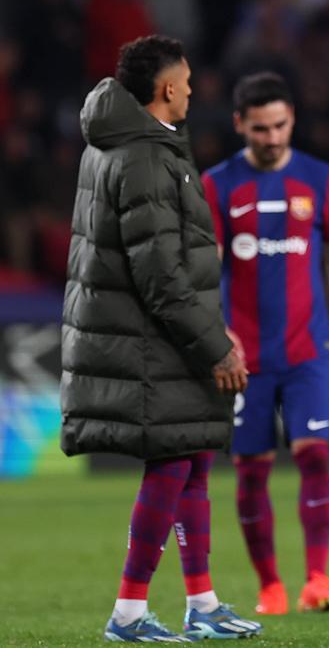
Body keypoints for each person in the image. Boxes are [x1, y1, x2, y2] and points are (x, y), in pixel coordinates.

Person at [61, 34, 262, 642]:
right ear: (168, 88)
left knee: (192, 458)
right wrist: (215, 345)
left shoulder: (133, 145)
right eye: (188, 81)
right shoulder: (144, 156)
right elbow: (158, 274)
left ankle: (201, 604)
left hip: (162, 335)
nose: (194, 89)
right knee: (172, 463)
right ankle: (127, 613)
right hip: (151, 342)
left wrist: (212, 327)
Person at [201, 71, 329, 615]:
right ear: (239, 125)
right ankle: (269, 584)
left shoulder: (320, 179)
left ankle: (317, 576)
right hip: (244, 356)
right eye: (260, 129)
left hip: (309, 349)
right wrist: (216, 330)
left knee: (315, 456)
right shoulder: (218, 184)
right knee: (252, 469)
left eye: (279, 126)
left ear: (292, 119)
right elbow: (208, 266)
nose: (271, 138)